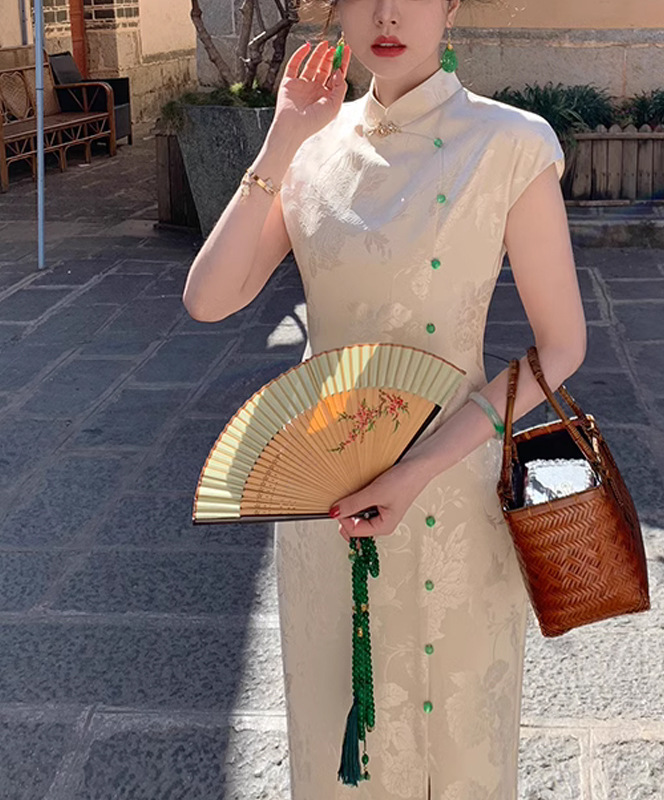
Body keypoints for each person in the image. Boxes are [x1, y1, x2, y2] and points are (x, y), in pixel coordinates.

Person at [183, 0, 586, 795]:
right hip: (324, 500)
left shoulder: (511, 142)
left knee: (459, 751)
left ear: (451, 6)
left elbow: (562, 347)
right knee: (339, 741)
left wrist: (414, 471)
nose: (388, 13)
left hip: (453, 489)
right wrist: (282, 138)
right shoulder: (310, 148)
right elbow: (209, 297)